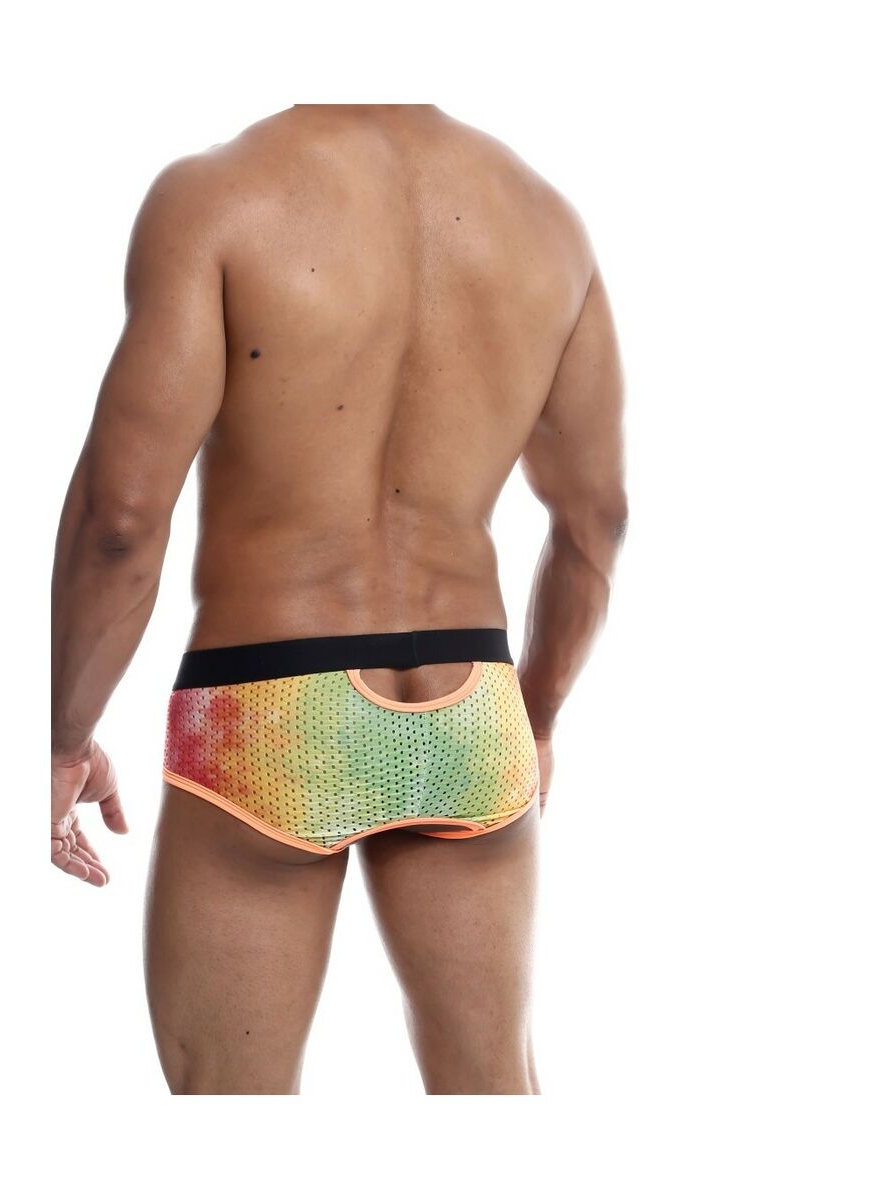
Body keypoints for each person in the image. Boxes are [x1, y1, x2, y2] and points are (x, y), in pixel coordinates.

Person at [50, 104, 627, 1095]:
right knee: (493, 1093)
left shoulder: (216, 197)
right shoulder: (545, 219)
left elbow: (121, 519)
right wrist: (535, 718)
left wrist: (65, 738)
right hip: (472, 704)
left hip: (268, 706)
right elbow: (597, 520)